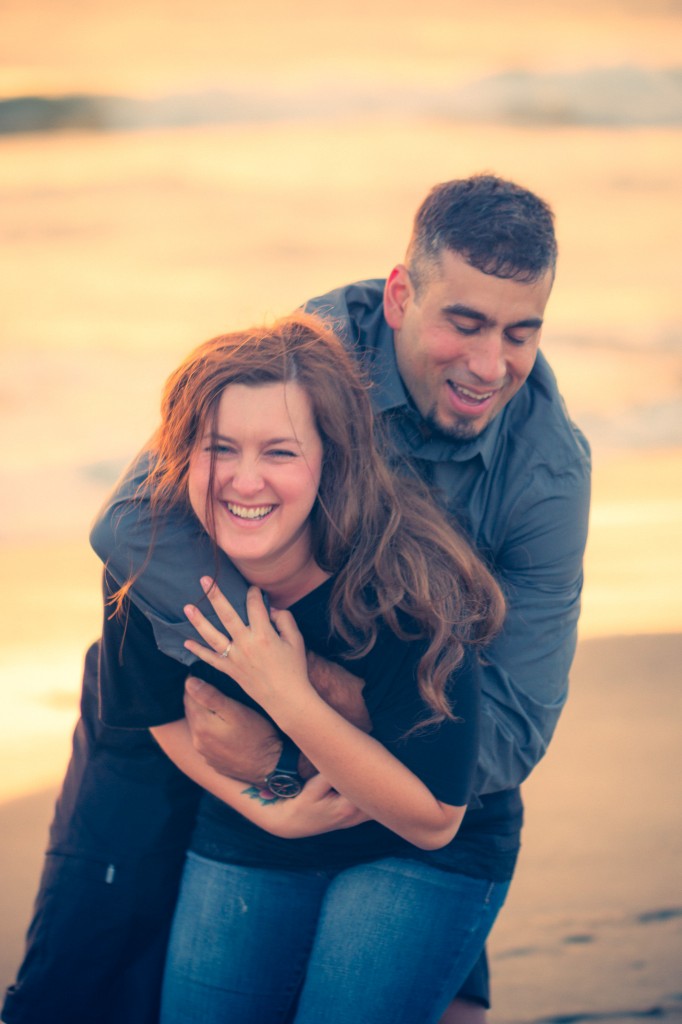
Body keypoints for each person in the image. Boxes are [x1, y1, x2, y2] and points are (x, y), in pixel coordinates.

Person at [3, 173, 590, 1024]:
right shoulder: (316, 354)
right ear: (399, 297)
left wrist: (293, 718)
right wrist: (261, 750)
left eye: (520, 333)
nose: (490, 364)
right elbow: (137, 529)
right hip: (199, 689)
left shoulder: (548, 473)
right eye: (462, 324)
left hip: (407, 737)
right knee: (80, 980)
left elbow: (506, 732)